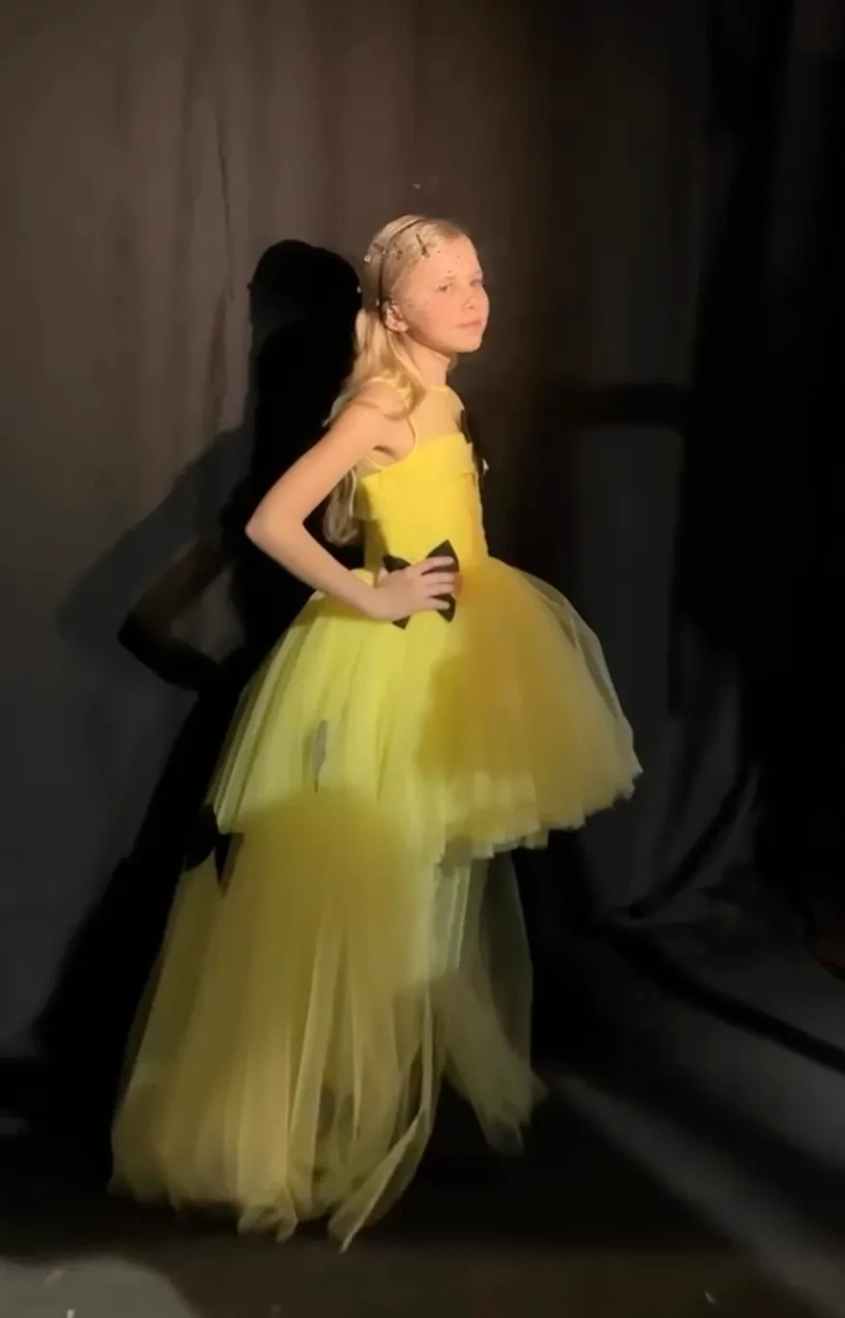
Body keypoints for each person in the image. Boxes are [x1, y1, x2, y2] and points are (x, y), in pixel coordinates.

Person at [110, 214, 641, 1249]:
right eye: (444, 286)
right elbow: (271, 522)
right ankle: (336, 1112)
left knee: (434, 878)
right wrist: (370, 593)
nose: (472, 300)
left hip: (463, 654)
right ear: (393, 311)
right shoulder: (383, 403)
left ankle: (399, 1096)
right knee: (378, 886)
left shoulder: (440, 395)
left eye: (477, 278)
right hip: (390, 669)